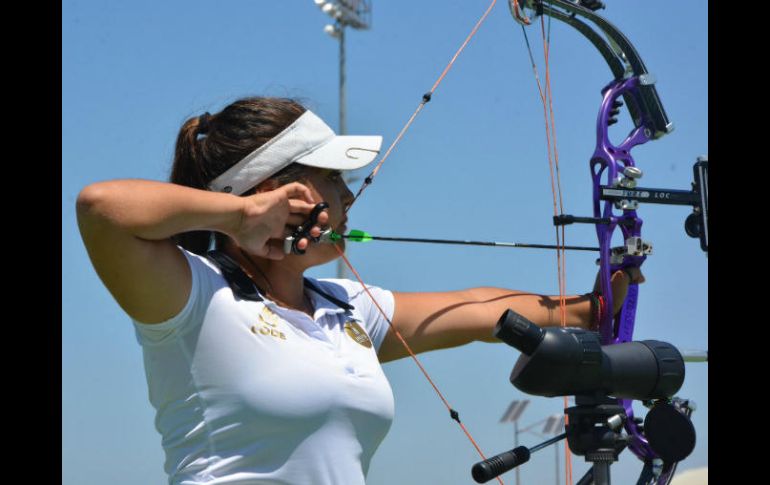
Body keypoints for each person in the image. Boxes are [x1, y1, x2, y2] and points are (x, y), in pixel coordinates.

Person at [76, 96, 642, 485]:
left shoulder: (343, 309)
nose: (349, 200)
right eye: (334, 181)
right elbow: (102, 208)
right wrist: (242, 215)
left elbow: (474, 310)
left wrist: (590, 309)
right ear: (280, 192)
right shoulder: (193, 296)